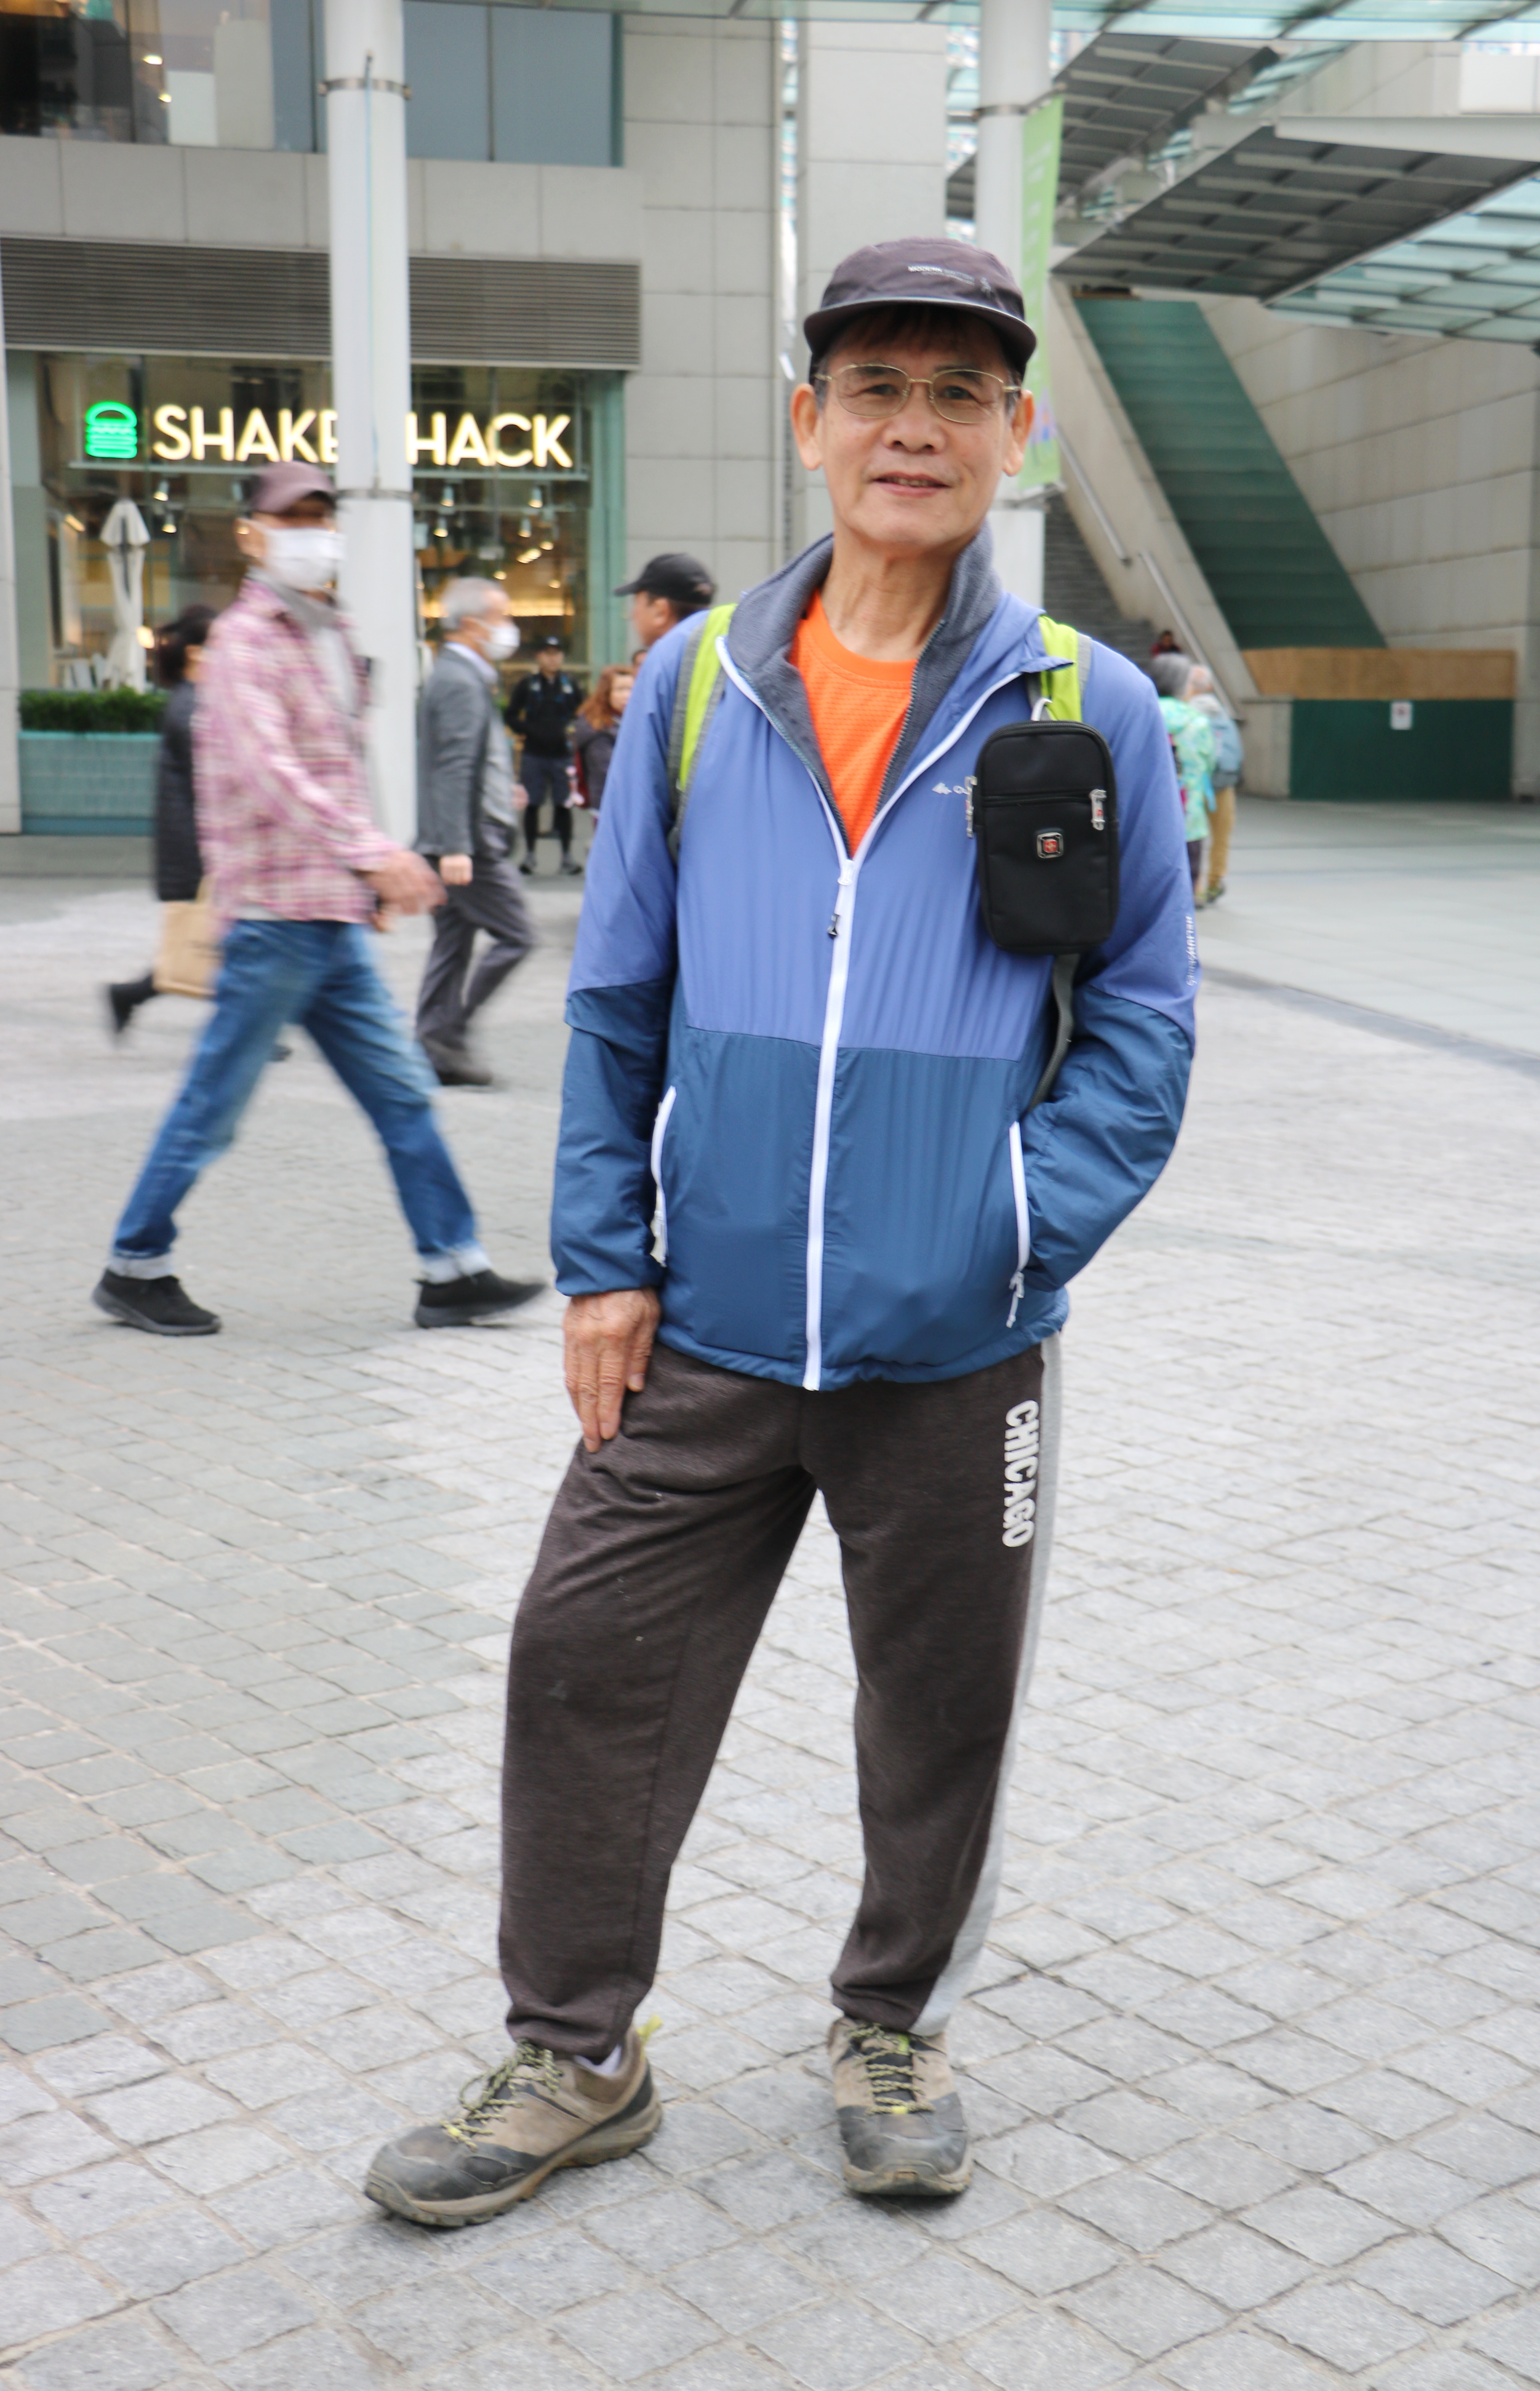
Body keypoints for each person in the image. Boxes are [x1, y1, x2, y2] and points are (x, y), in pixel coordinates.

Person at [365, 235, 1195, 2229]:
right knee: (581, 1662)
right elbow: (614, 1005)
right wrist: (601, 1259)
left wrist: (1015, 1230)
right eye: (875, 387)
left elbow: (1143, 1021)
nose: (913, 427)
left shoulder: (1082, 707)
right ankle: (575, 2053)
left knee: (940, 1712)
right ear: (809, 419)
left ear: (1013, 432)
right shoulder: (692, 690)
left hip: (959, 1339)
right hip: (707, 1325)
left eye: (957, 392)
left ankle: (891, 2022)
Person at [91, 461, 543, 1339]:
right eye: (291, 517)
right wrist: (375, 856)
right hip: (270, 922)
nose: (311, 532)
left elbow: (340, 775)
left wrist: (361, 880)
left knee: (404, 1096)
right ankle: (134, 1264)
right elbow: (273, 773)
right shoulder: (243, 645)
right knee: (213, 1108)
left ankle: (452, 1269)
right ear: (252, 536)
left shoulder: (331, 631)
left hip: (328, 922)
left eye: (320, 516)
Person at [414, 579, 536, 1089]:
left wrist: (499, 791)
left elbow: (464, 763)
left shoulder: (457, 676)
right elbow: (453, 766)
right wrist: (457, 846)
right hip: (469, 843)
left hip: (460, 834)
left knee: (453, 943)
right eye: (501, 617)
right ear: (471, 624)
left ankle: (433, 1044)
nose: (508, 628)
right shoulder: (460, 681)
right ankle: (449, 1035)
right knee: (518, 935)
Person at [105, 606, 216, 1034]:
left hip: (195, 847)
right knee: (214, 943)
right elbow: (211, 785)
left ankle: (129, 995)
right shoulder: (191, 708)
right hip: (196, 851)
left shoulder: (198, 701)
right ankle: (249, 1027)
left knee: (215, 944)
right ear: (196, 653)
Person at [504, 632, 582, 878]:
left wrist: (570, 733)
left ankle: (567, 856)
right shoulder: (528, 685)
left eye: (557, 654)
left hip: (562, 755)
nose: (553, 659)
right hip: (534, 754)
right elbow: (511, 715)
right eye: (548, 654)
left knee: (564, 805)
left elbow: (582, 714)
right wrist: (528, 731)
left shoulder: (570, 685)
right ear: (539, 657)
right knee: (532, 804)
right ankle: (530, 855)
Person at [1149, 651, 1216, 891]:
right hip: (1190, 818)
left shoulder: (1143, 713)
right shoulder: (1198, 722)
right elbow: (1209, 765)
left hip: (1148, 819)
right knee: (1186, 885)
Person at [1187, 664, 1241, 905]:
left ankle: (1195, 888)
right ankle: (1215, 882)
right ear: (1209, 686)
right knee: (1221, 837)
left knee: (1193, 836)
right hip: (1224, 784)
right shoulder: (1222, 713)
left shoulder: (1187, 713)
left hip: (1196, 785)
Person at [613, 552, 716, 654]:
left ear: (660, 612)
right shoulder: (718, 653)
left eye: (637, 603)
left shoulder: (663, 661)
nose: (633, 615)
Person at [569, 664, 634, 821]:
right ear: (606, 693)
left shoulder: (627, 720)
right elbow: (607, 772)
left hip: (626, 805)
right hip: (610, 807)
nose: (627, 695)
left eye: (631, 689)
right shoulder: (598, 728)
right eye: (620, 690)